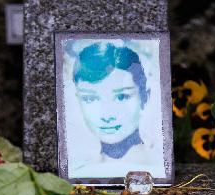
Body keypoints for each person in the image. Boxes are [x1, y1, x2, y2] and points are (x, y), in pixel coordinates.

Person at [69, 42, 161, 176]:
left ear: (144, 97)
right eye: (90, 98)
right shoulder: (78, 171)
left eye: (122, 97)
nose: (106, 114)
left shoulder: (157, 168)